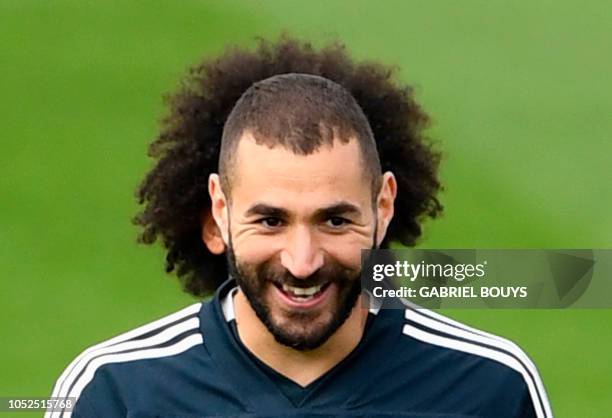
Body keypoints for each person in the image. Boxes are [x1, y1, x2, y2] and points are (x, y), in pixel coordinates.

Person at [47, 36, 553, 418]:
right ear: (219, 212)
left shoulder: (492, 387)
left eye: (335, 220)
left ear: (383, 206)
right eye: (270, 220)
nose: (302, 261)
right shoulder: (113, 391)